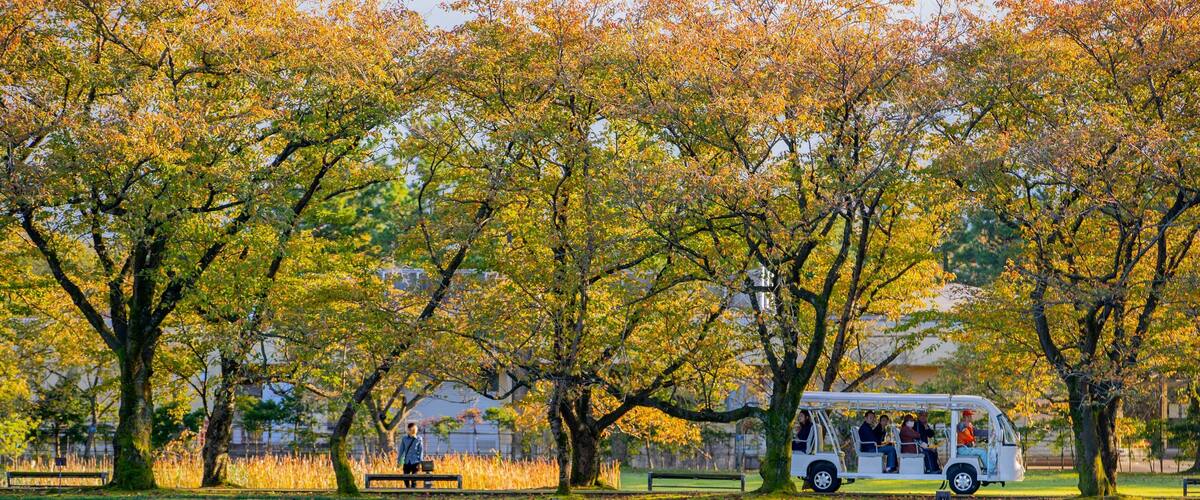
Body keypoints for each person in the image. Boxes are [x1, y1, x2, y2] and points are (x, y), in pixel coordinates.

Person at [397, 422, 424, 488]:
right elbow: (401, 450)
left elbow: (421, 451)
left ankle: (413, 491)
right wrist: (398, 461)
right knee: (405, 477)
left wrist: (420, 462)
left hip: (415, 461)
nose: (408, 430)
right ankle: (408, 489)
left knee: (414, 479)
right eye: (408, 429)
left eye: (410, 429)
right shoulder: (404, 439)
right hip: (406, 461)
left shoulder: (418, 439)